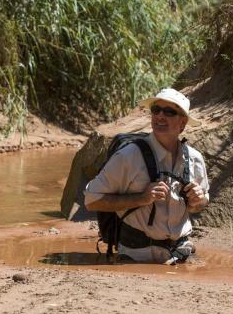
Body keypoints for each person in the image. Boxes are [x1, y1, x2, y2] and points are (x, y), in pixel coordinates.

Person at [84, 88, 210, 264]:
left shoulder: (195, 159)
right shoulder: (128, 156)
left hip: (181, 252)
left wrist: (199, 200)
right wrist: (141, 198)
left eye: (169, 112)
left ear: (182, 123)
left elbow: (198, 206)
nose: (160, 116)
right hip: (136, 255)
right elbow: (91, 200)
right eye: (156, 110)